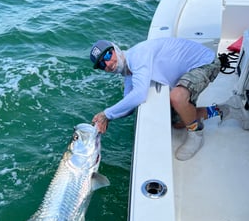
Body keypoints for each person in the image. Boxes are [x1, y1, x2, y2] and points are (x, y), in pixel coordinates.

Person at [89, 38, 238, 161]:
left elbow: (140, 94)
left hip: (205, 63)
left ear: (116, 48)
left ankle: (196, 134)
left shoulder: (138, 55)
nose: (108, 64)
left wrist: (106, 114)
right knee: (178, 122)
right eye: (102, 65)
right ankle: (227, 109)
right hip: (188, 71)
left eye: (108, 56)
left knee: (177, 97)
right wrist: (107, 118)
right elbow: (129, 104)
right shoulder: (128, 73)